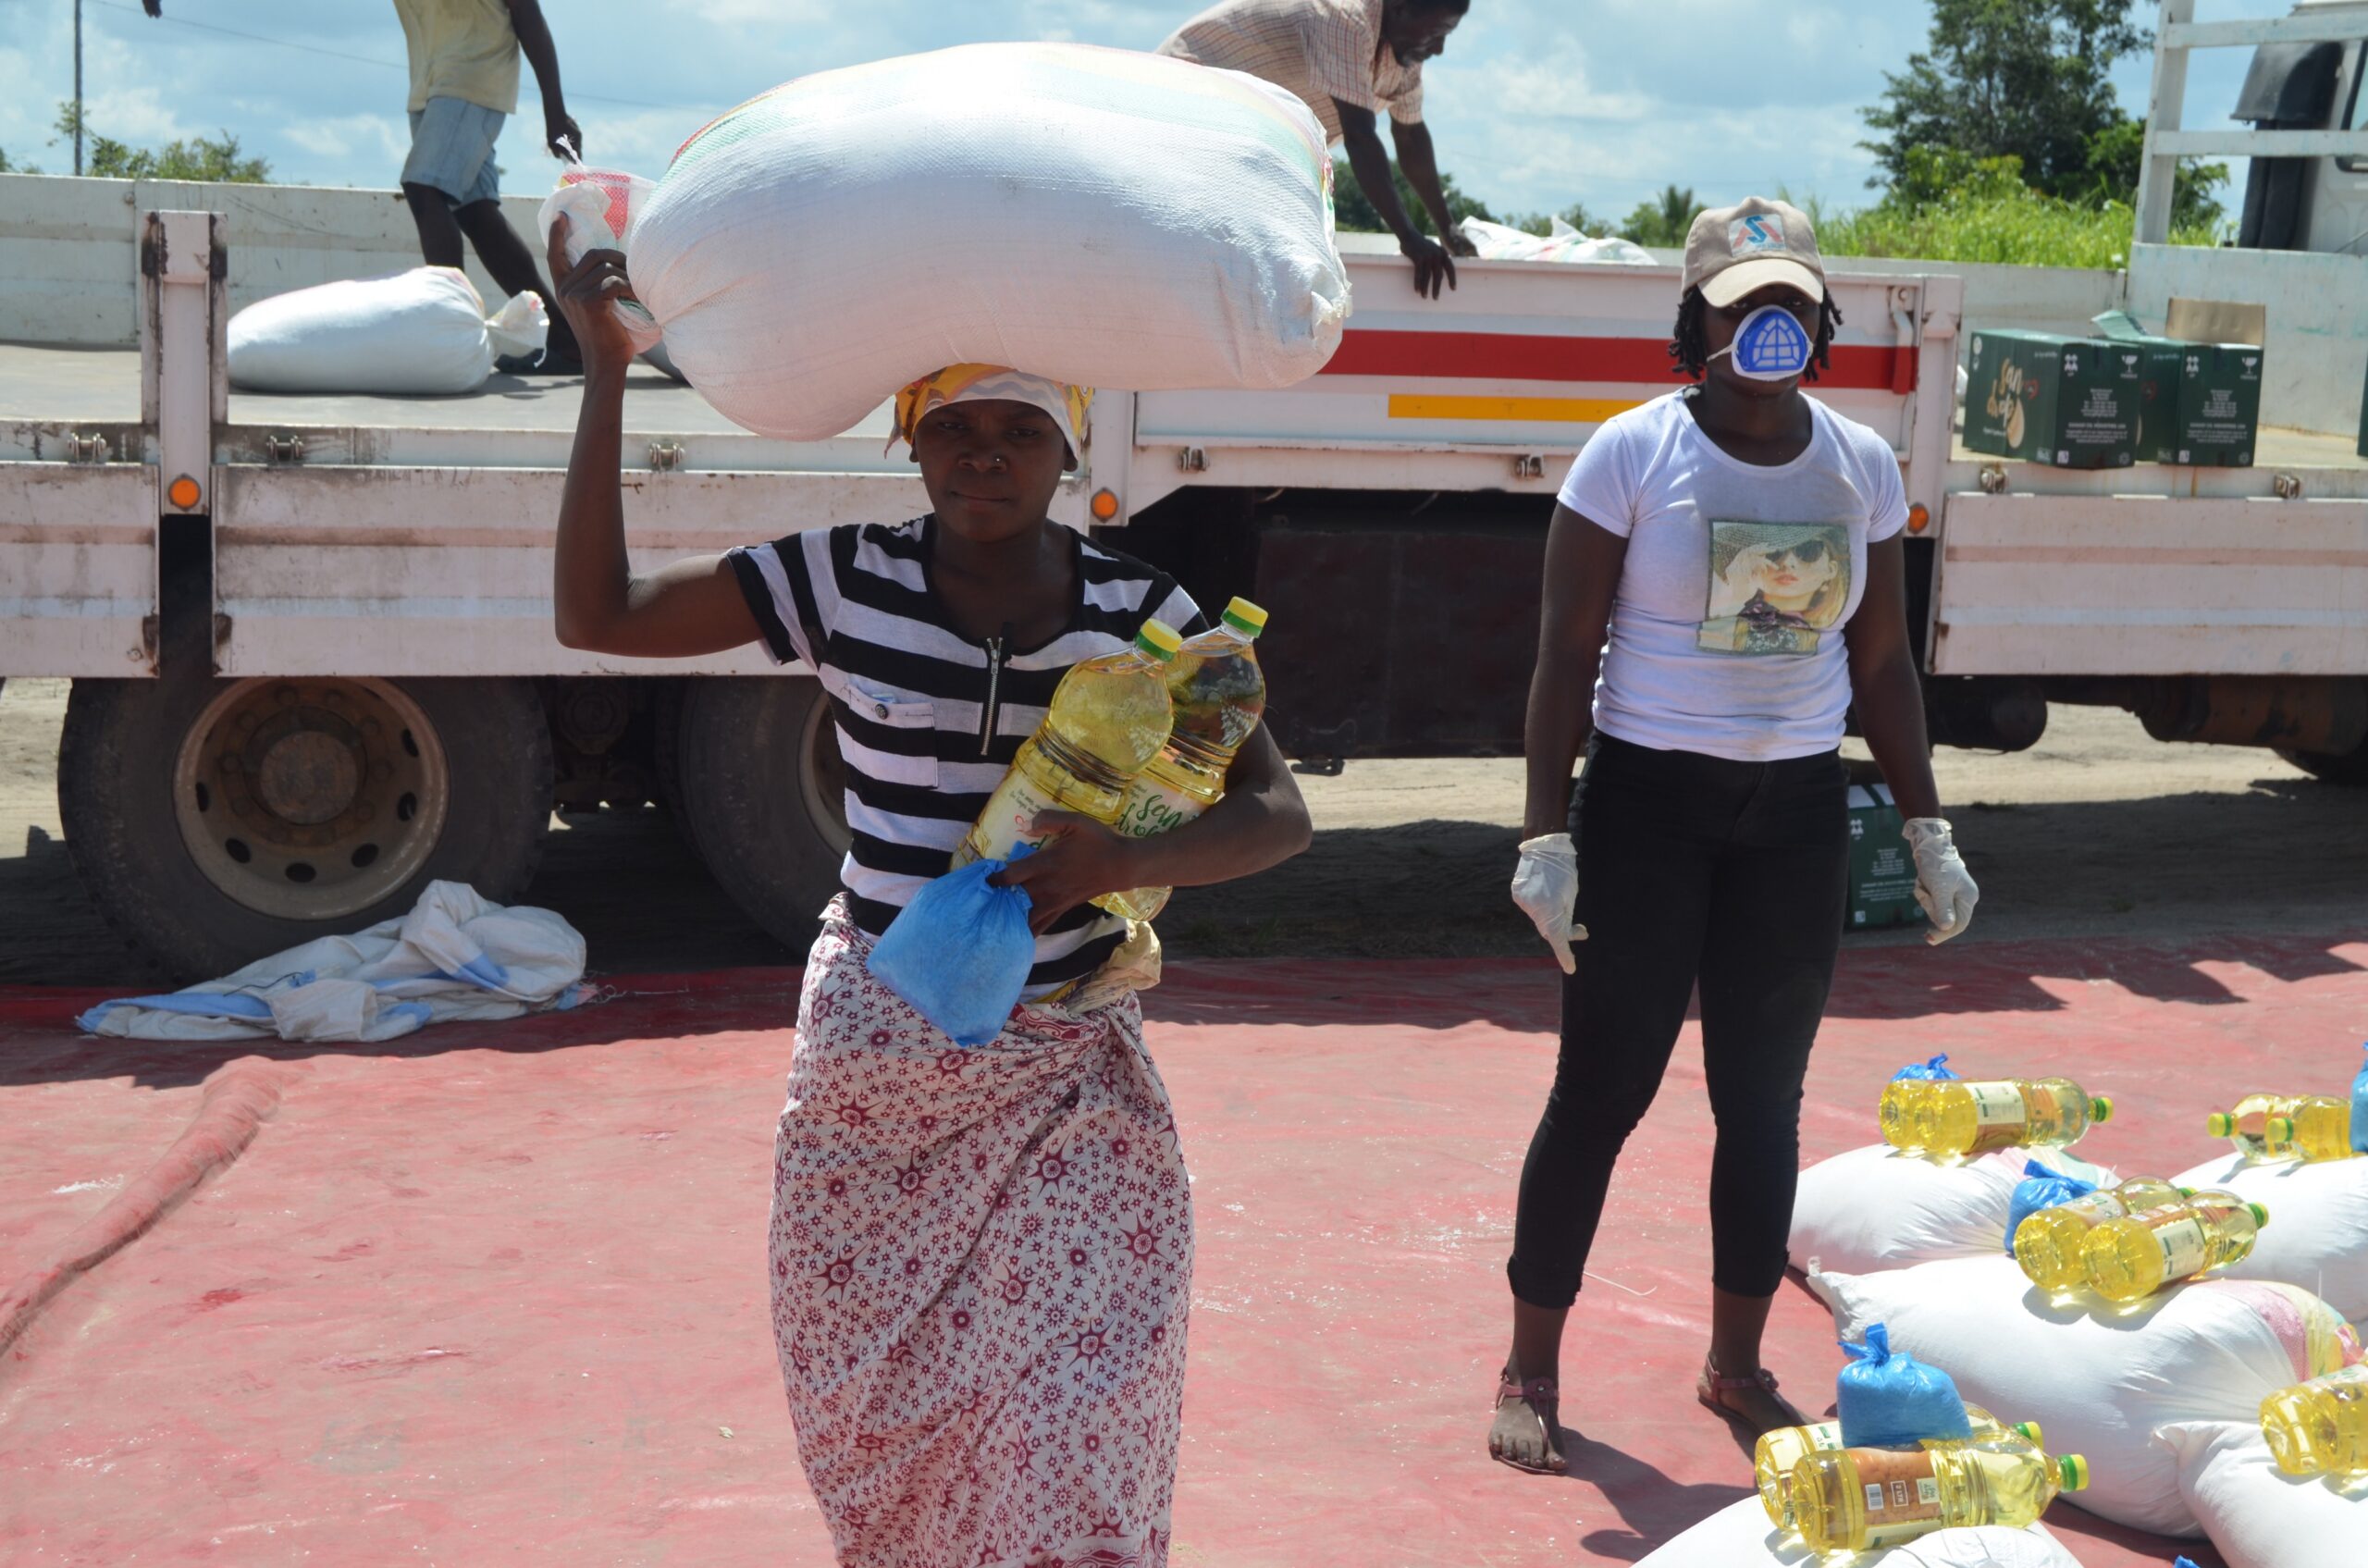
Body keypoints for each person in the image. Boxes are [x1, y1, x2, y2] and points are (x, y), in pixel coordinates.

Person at [543, 222, 1313, 1564]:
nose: (984, 458)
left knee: (1085, 1403)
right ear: (911, 443)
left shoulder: (1147, 615)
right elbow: (598, 617)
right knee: (882, 1405)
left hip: (1067, 1057)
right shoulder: (841, 579)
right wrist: (607, 372)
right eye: (954, 429)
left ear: (1070, 451)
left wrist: (1117, 858)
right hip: (883, 1056)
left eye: (1018, 431)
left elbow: (1276, 817)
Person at [1488, 197, 1980, 1474]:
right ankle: (1531, 1362)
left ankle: (1739, 1360)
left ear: (1820, 322)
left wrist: (1926, 822)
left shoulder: (1862, 465)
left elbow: (1881, 663)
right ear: (1697, 320)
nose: (1769, 322)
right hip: (1648, 807)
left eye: (1791, 302)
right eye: (1741, 301)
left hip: (1794, 820)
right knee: (1601, 1092)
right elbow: (1561, 656)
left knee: (1763, 1101)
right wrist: (1549, 834)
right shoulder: (1632, 455)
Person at [1158, 0, 1479, 299]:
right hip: (1183, 100)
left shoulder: (1404, 48)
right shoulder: (1342, 16)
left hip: (1242, 140)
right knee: (1195, 249)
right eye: (1436, 33)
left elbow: (1410, 137)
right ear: (1399, 9)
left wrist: (1446, 227)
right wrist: (1409, 237)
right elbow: (1360, 137)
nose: (1438, 48)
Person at [392, 0, 583, 373]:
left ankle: (452, 341)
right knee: (475, 213)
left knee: (424, 189)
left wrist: (554, 112)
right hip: (430, 85)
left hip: (471, 78)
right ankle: (567, 342)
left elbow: (527, 13)